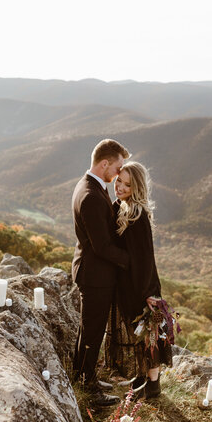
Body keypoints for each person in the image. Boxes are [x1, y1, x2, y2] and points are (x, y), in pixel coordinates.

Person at [104, 161, 172, 399]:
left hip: (143, 288)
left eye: (127, 184)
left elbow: (144, 260)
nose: (120, 187)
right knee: (139, 335)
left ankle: (153, 387)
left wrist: (148, 294)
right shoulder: (120, 207)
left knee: (149, 335)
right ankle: (143, 380)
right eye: (118, 181)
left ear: (137, 187)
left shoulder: (138, 215)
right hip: (128, 286)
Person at [72, 139, 130, 406]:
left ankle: (82, 375)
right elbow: (102, 246)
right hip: (95, 276)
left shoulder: (92, 186)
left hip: (93, 272)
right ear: (104, 163)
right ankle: (88, 388)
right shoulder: (92, 196)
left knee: (89, 330)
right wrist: (131, 260)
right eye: (117, 167)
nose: (119, 173)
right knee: (93, 332)